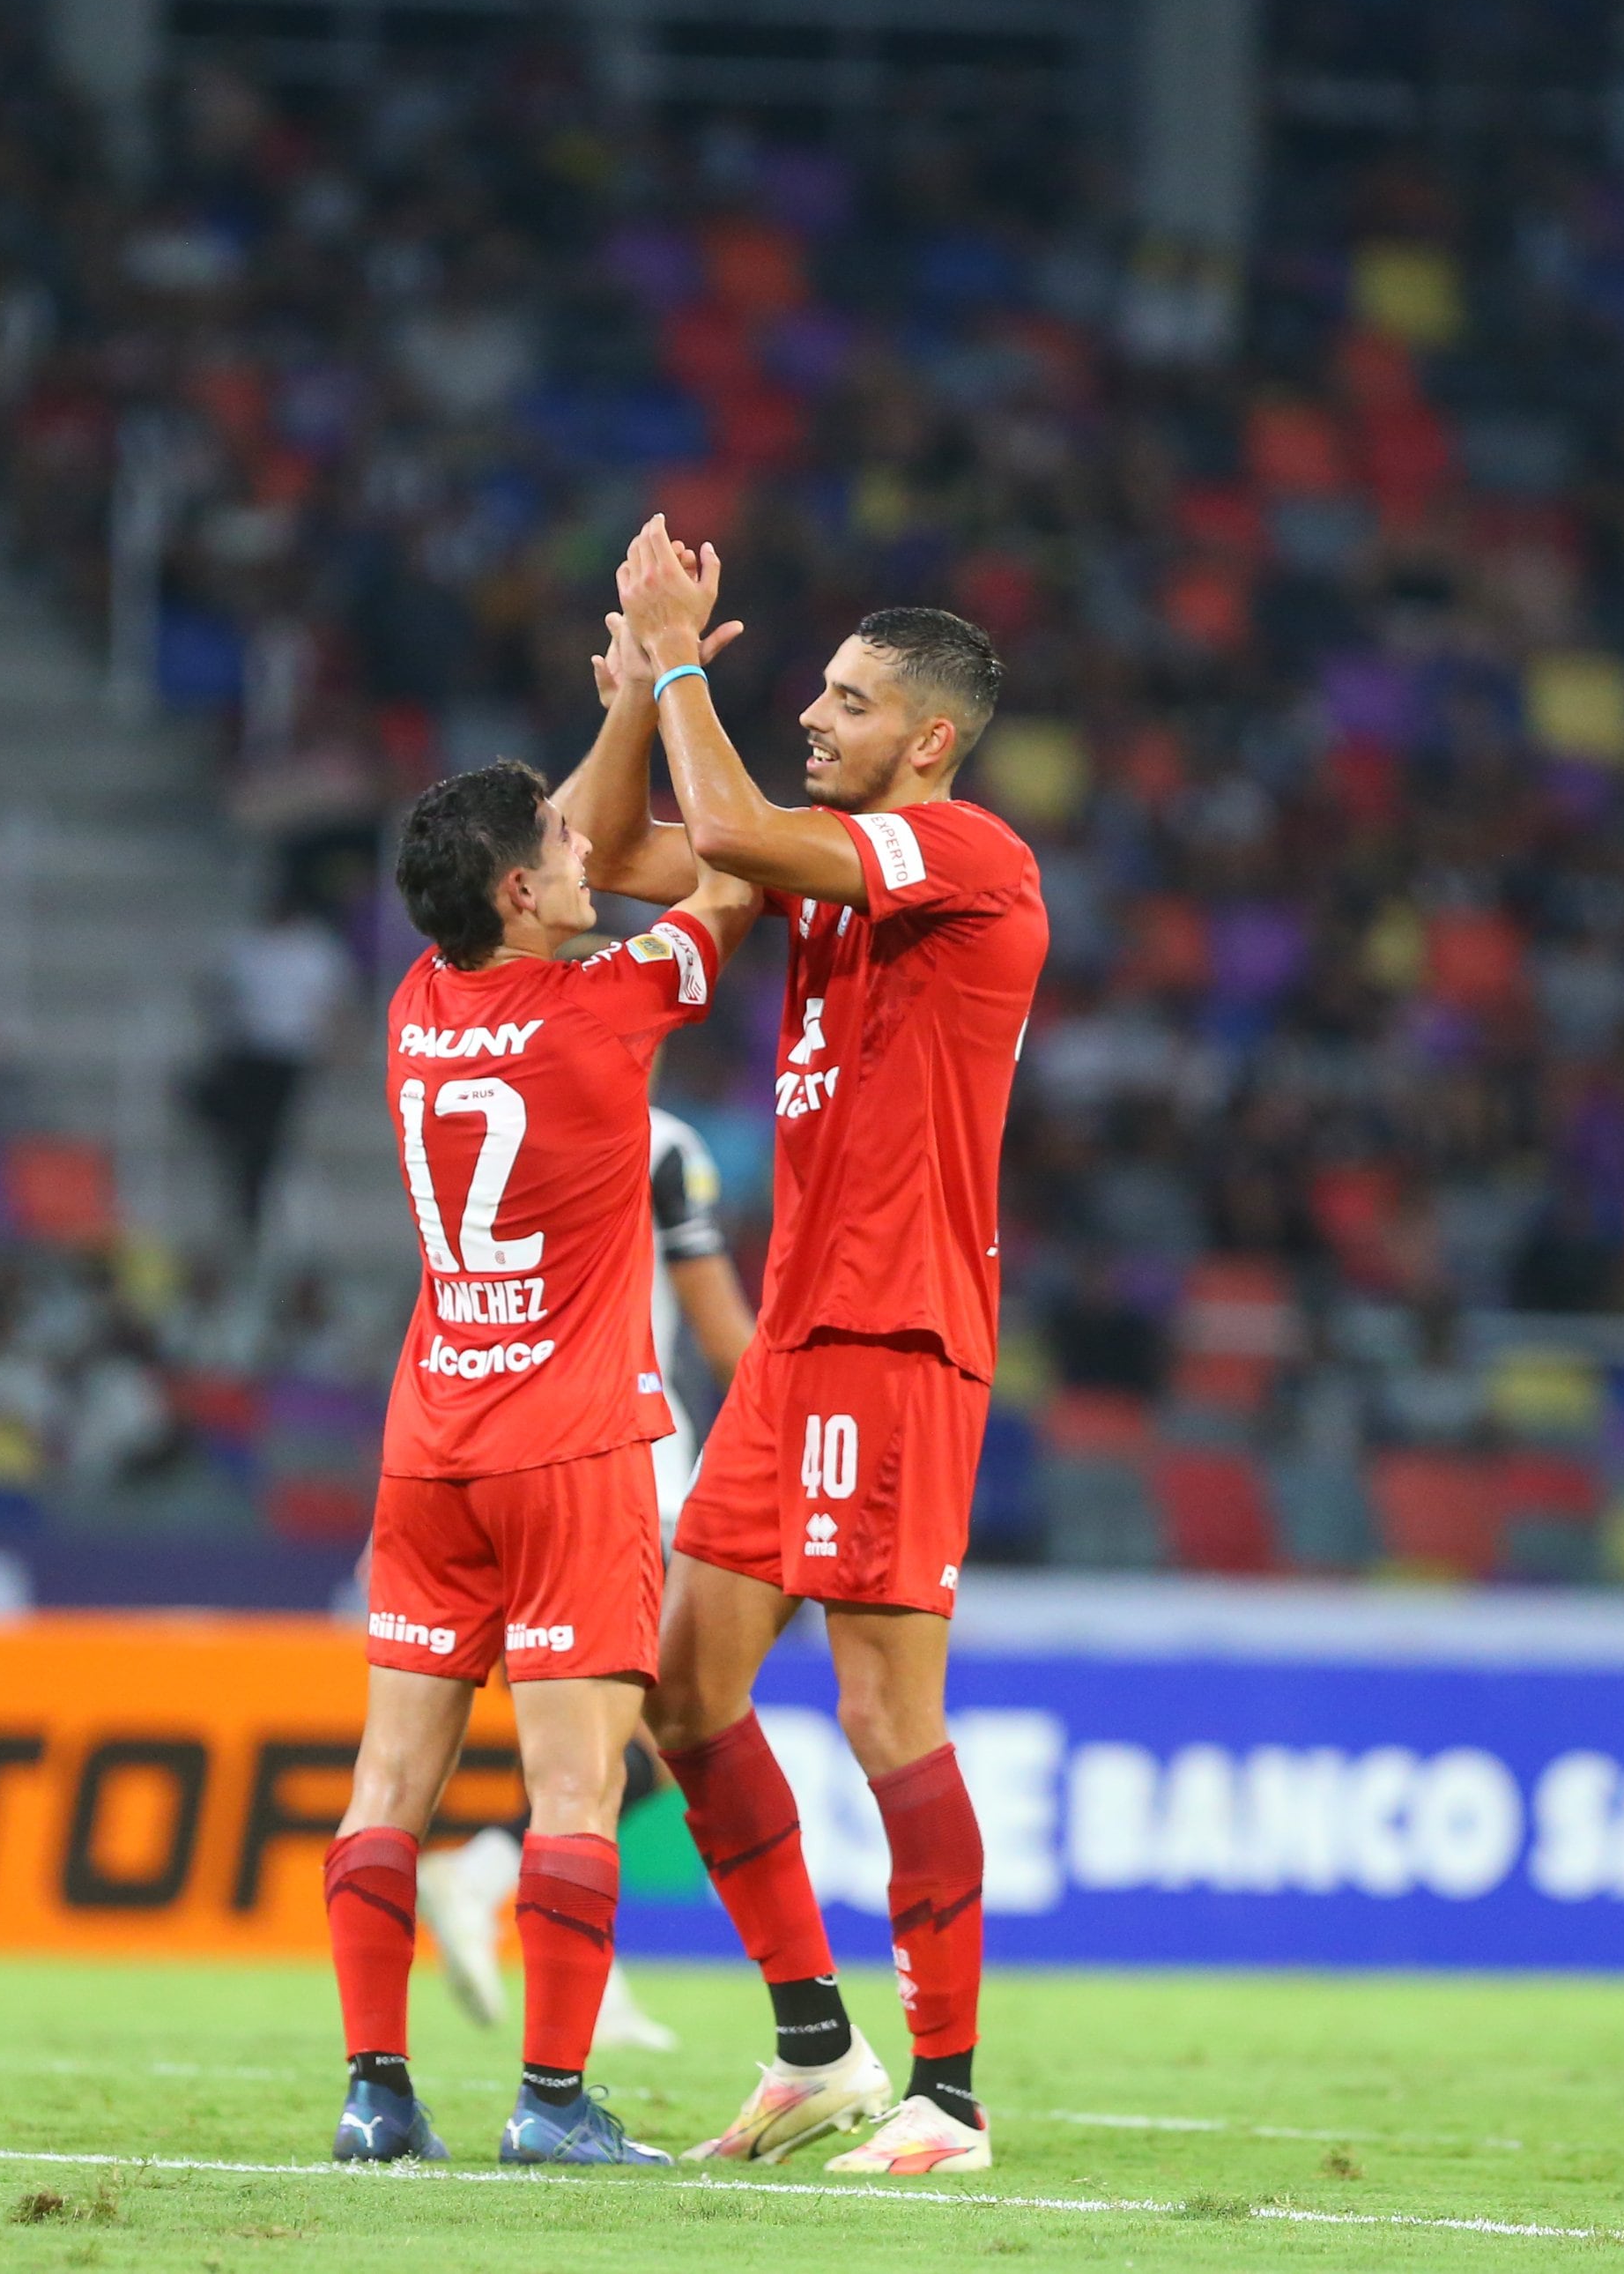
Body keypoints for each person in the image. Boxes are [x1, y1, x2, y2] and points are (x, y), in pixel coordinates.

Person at [557, 517, 1047, 2175]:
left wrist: (690, 656)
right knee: (685, 1694)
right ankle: (817, 2045)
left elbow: (742, 825)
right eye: (810, 692)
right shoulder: (806, 867)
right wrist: (637, 692)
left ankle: (953, 2097)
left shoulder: (968, 858)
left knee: (886, 1713)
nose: (812, 716)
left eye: (844, 702)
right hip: (791, 1339)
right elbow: (596, 856)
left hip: (899, 1331)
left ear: (927, 736)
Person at [324, 759, 756, 2167]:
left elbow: (532, 842)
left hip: (430, 1440)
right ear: (519, 890)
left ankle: (376, 2094)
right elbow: (739, 870)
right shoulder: (604, 1009)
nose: (591, 848)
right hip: (571, 1447)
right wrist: (673, 676)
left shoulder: (412, 1010)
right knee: (575, 1791)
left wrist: (620, 702)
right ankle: (553, 2101)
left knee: (387, 1785)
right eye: (565, 846)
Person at [416, 1087, 756, 2055]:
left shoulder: (462, 1112)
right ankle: (487, 1873)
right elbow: (724, 1331)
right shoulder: (663, 1138)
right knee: (661, 1727)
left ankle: (589, 1981)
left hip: (486, 1443)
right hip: (628, 1459)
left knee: (585, 1745)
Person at [191, 899, 354, 1243]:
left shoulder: (313, 947)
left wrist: (336, 1046)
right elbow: (217, 992)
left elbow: (335, 1003)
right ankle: (251, 1189)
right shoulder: (246, 945)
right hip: (249, 1051)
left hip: (290, 1055)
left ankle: (254, 1199)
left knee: (263, 1133)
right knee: (249, 1128)